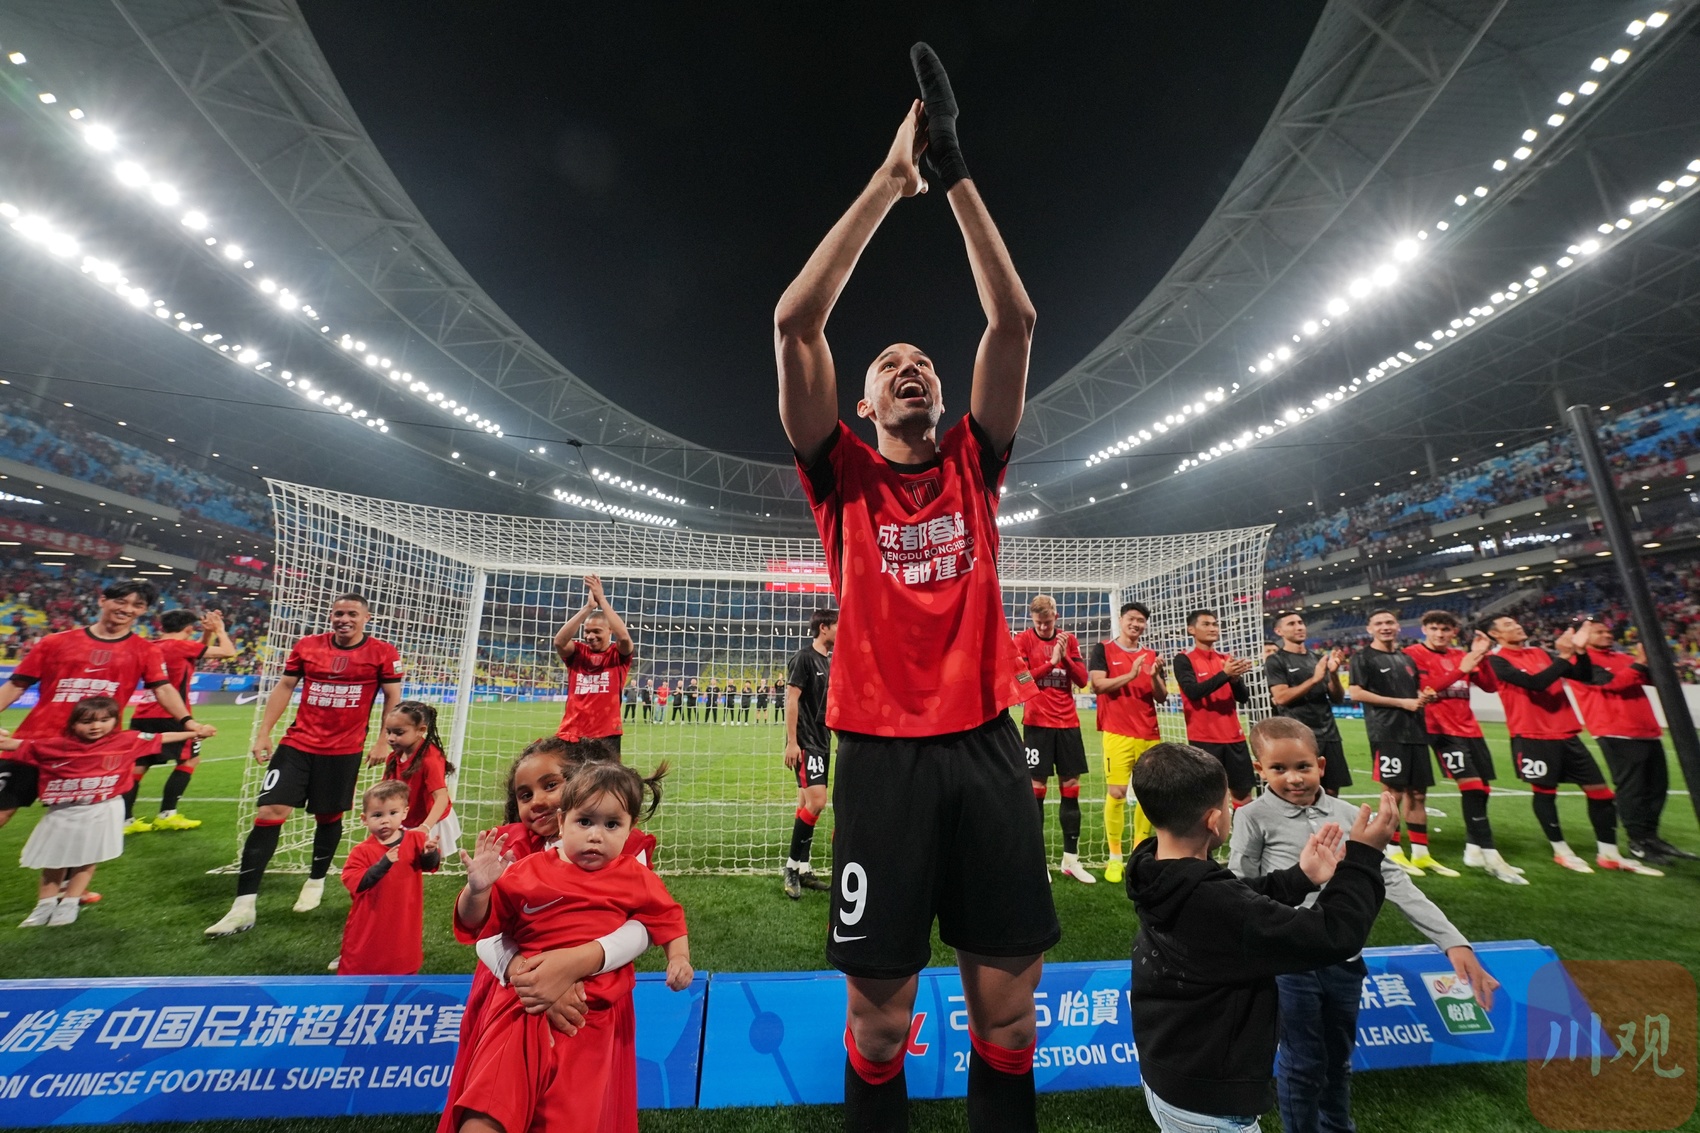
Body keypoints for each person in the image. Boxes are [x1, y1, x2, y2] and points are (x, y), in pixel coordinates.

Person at [775, 43, 1055, 1129]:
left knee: (1009, 1021)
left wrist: (955, 169)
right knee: (882, 1024)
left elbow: (1013, 321)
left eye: (923, 361)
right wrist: (892, 184)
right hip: (881, 758)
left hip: (986, 745)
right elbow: (795, 322)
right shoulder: (839, 475)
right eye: (889, 363)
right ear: (859, 402)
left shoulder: (975, 463)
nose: (911, 366)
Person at [1235, 718, 1501, 1132]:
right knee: (1303, 1062)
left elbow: (1394, 879)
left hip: (1345, 962)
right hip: (1290, 965)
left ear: (1321, 765)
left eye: (1303, 766)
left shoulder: (1349, 816)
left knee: (1337, 1061)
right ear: (1259, 770)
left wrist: (1453, 942)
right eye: (1279, 769)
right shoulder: (1253, 817)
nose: (1294, 778)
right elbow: (1241, 889)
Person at [1125, 742, 1394, 1133]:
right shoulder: (1217, 904)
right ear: (1213, 821)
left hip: (1168, 1074)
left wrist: (1300, 878)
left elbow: (1236, 896)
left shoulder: (1155, 868)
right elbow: (1334, 935)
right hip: (1210, 1104)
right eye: (1228, 803)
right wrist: (1364, 858)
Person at [445, 761, 692, 1133]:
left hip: (586, 1019)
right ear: (562, 823)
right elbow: (480, 926)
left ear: (630, 830)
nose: (596, 836)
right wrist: (477, 891)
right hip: (522, 1006)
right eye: (585, 822)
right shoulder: (527, 871)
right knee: (487, 1110)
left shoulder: (635, 877)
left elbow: (667, 918)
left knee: (567, 1118)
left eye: (612, 825)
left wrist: (679, 958)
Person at [206, 593, 403, 937]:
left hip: (344, 750)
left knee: (328, 816)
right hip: (297, 744)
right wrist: (264, 733)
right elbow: (285, 686)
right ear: (331, 616)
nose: (344, 619)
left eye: (352, 614)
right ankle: (243, 907)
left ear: (366, 618)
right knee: (270, 811)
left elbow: (393, 696)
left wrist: (383, 740)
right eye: (338, 613)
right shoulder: (308, 646)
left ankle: (315, 880)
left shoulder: (382, 653)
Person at [0, 579, 204, 836]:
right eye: (121, 601)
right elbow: (16, 685)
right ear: (102, 600)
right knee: (3, 810)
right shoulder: (55, 642)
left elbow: (163, 689)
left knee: (76, 826)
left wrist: (188, 721)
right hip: (35, 741)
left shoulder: (145, 650)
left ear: (144, 610)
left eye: (137, 605)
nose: (127, 609)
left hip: (93, 750)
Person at [1482, 615, 1662, 876]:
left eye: (1516, 622)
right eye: (1508, 625)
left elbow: (1583, 675)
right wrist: (1565, 656)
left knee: (1601, 793)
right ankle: (1562, 851)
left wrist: (1579, 652)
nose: (1517, 625)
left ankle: (1609, 855)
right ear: (1495, 634)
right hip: (1532, 734)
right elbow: (1536, 683)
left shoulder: (1539, 653)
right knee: (1546, 793)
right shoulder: (1495, 660)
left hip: (1566, 731)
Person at [7, 696, 210, 927]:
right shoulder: (55, 745)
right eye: (86, 722)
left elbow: (161, 737)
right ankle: (44, 905)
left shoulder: (127, 740)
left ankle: (70, 903)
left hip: (103, 809)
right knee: (53, 858)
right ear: (73, 723)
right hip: (63, 811)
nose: (96, 726)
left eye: (104, 720)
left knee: (87, 858)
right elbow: (15, 745)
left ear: (115, 720)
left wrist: (194, 732)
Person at [1404, 610, 1524, 884]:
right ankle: (1491, 855)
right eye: (1434, 628)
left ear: (1454, 632)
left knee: (1483, 789)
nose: (1440, 634)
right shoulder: (1414, 654)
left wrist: (1483, 656)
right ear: (1424, 629)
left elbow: (1490, 686)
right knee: (1471, 787)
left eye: (1445, 629)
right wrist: (1463, 668)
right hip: (1439, 731)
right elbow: (1426, 689)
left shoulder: (1461, 655)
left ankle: (1473, 849)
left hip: (1470, 729)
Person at [1571, 619, 1697, 865]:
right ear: (1584, 637)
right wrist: (1640, 660)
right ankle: (1637, 841)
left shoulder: (1621, 658)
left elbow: (1657, 679)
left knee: (1656, 788)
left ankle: (1651, 837)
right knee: (1633, 789)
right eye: (1599, 632)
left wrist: (1655, 658)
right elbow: (1613, 684)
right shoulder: (1581, 662)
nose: (1607, 634)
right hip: (1616, 731)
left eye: (1608, 631)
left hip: (1646, 730)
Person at [1347, 610, 1449, 877]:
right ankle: (1392, 851)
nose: (1385, 627)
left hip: (1415, 731)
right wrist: (1402, 703)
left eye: (1389, 622)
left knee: (1419, 794)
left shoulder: (1406, 658)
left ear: (1398, 627)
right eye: (1379, 623)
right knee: (1394, 794)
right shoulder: (1362, 657)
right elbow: (1355, 692)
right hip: (1387, 732)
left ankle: (1421, 854)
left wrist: (1423, 697)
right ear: (1369, 629)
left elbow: (1412, 692)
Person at [124, 608, 238, 833]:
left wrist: (206, 633)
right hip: (173, 714)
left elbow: (196, 652)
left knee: (138, 765)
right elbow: (228, 652)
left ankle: (124, 820)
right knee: (189, 760)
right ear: (188, 628)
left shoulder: (151, 646)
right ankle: (167, 814)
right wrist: (219, 630)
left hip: (143, 713)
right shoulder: (180, 646)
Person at [1012, 595, 1094, 883]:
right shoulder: (1022, 640)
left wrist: (1066, 658)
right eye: (1039, 623)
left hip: (1068, 724)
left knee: (1071, 787)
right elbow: (1021, 681)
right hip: (1037, 725)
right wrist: (1051, 663)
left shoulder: (1068, 640)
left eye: (1047, 622)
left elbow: (1083, 680)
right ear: (1032, 620)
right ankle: (1038, 862)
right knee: (1036, 789)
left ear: (1056, 617)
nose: (1044, 627)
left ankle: (1071, 860)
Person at [1088, 601, 1166, 885]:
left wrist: (1154, 676)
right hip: (1117, 732)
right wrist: (1131, 675)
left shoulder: (1151, 655)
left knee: (1147, 794)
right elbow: (1097, 685)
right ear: (1121, 620)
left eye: (1141, 621)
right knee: (1118, 792)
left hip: (1148, 732)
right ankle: (1114, 856)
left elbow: (1162, 697)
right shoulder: (1103, 649)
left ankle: (1138, 854)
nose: (1136, 624)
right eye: (1132, 619)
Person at [337, 779, 442, 975]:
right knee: (360, 980)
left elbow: (430, 865)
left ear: (405, 813)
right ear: (364, 818)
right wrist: (384, 863)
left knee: (403, 976)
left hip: (404, 927)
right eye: (377, 815)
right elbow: (358, 883)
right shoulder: (361, 852)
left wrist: (430, 853)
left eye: (392, 813)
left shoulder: (416, 839)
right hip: (369, 929)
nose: (385, 820)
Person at [1172, 609, 1256, 805]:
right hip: (1204, 738)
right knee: (1210, 797)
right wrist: (1225, 675)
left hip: (1234, 736)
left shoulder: (1226, 659)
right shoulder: (1183, 659)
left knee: (1243, 794)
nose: (1213, 628)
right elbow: (1193, 692)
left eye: (1215, 624)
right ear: (1191, 630)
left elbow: (1243, 698)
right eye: (1206, 624)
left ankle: (1242, 826)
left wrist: (1235, 680)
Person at [782, 606, 837, 899]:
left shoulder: (829, 662)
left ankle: (803, 868)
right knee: (818, 801)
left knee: (806, 803)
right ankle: (791, 867)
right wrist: (792, 742)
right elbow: (792, 699)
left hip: (822, 740)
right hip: (806, 742)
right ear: (823, 627)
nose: (840, 630)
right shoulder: (803, 658)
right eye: (837, 625)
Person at [1262, 610, 1349, 795]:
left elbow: (1337, 698)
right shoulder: (1276, 660)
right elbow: (1281, 697)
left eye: (1300, 622)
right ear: (1279, 631)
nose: (1299, 627)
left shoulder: (1317, 659)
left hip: (1329, 734)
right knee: (1303, 790)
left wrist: (1333, 674)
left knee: (1332, 791)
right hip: (1297, 736)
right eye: (1291, 624)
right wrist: (1314, 680)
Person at [553, 575, 634, 755]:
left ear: (610, 631)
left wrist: (602, 600)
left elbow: (624, 637)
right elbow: (559, 641)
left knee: (606, 775)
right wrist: (588, 607)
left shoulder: (617, 655)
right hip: (572, 733)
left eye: (597, 631)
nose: (590, 636)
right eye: (587, 631)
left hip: (607, 734)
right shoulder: (577, 652)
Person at [381, 700, 462, 854]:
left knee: (423, 862)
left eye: (398, 733)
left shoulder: (430, 759)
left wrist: (425, 827)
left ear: (421, 730)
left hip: (430, 821)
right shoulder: (394, 756)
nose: (390, 738)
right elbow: (385, 790)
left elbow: (441, 798)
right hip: (407, 818)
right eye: (388, 731)